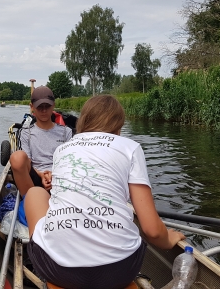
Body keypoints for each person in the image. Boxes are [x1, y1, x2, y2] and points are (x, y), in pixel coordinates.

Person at [24, 95, 185, 289]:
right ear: (119, 127)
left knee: (35, 193)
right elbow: (151, 230)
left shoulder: (62, 150)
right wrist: (169, 239)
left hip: (58, 271)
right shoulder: (131, 148)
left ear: (83, 122)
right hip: (119, 272)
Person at [9, 86, 73, 196]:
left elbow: (69, 162)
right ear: (32, 107)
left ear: (53, 105)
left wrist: (54, 175)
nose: (44, 110)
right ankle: (30, 200)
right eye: (39, 107)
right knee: (17, 157)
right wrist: (42, 175)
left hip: (61, 176)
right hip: (35, 178)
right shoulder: (25, 132)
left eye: (47, 106)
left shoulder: (66, 132)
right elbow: (27, 162)